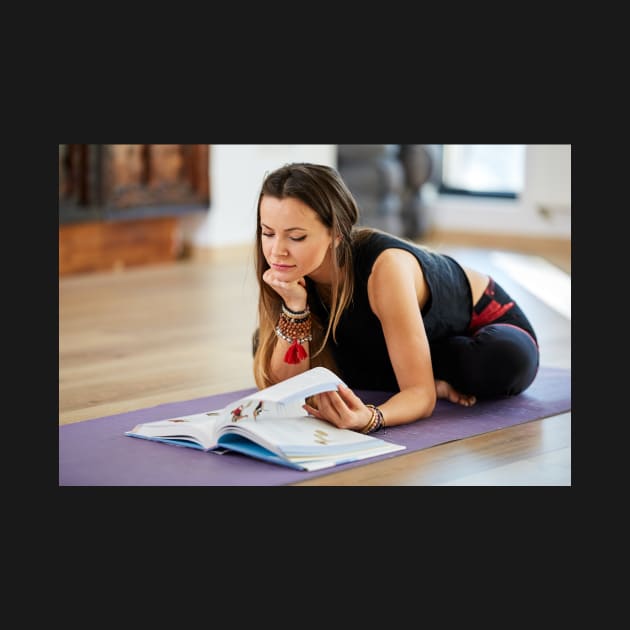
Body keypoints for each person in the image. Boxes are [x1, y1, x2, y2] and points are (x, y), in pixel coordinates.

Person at [252, 162, 539, 434]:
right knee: (268, 342)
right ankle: (423, 370)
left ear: (337, 234)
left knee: (498, 361)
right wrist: (294, 307)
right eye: (268, 233)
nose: (277, 251)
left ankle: (423, 370)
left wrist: (372, 417)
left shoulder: (385, 268)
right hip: (390, 339)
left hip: (480, 326)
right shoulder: (288, 272)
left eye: (296, 237)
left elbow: (420, 397)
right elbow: (286, 388)